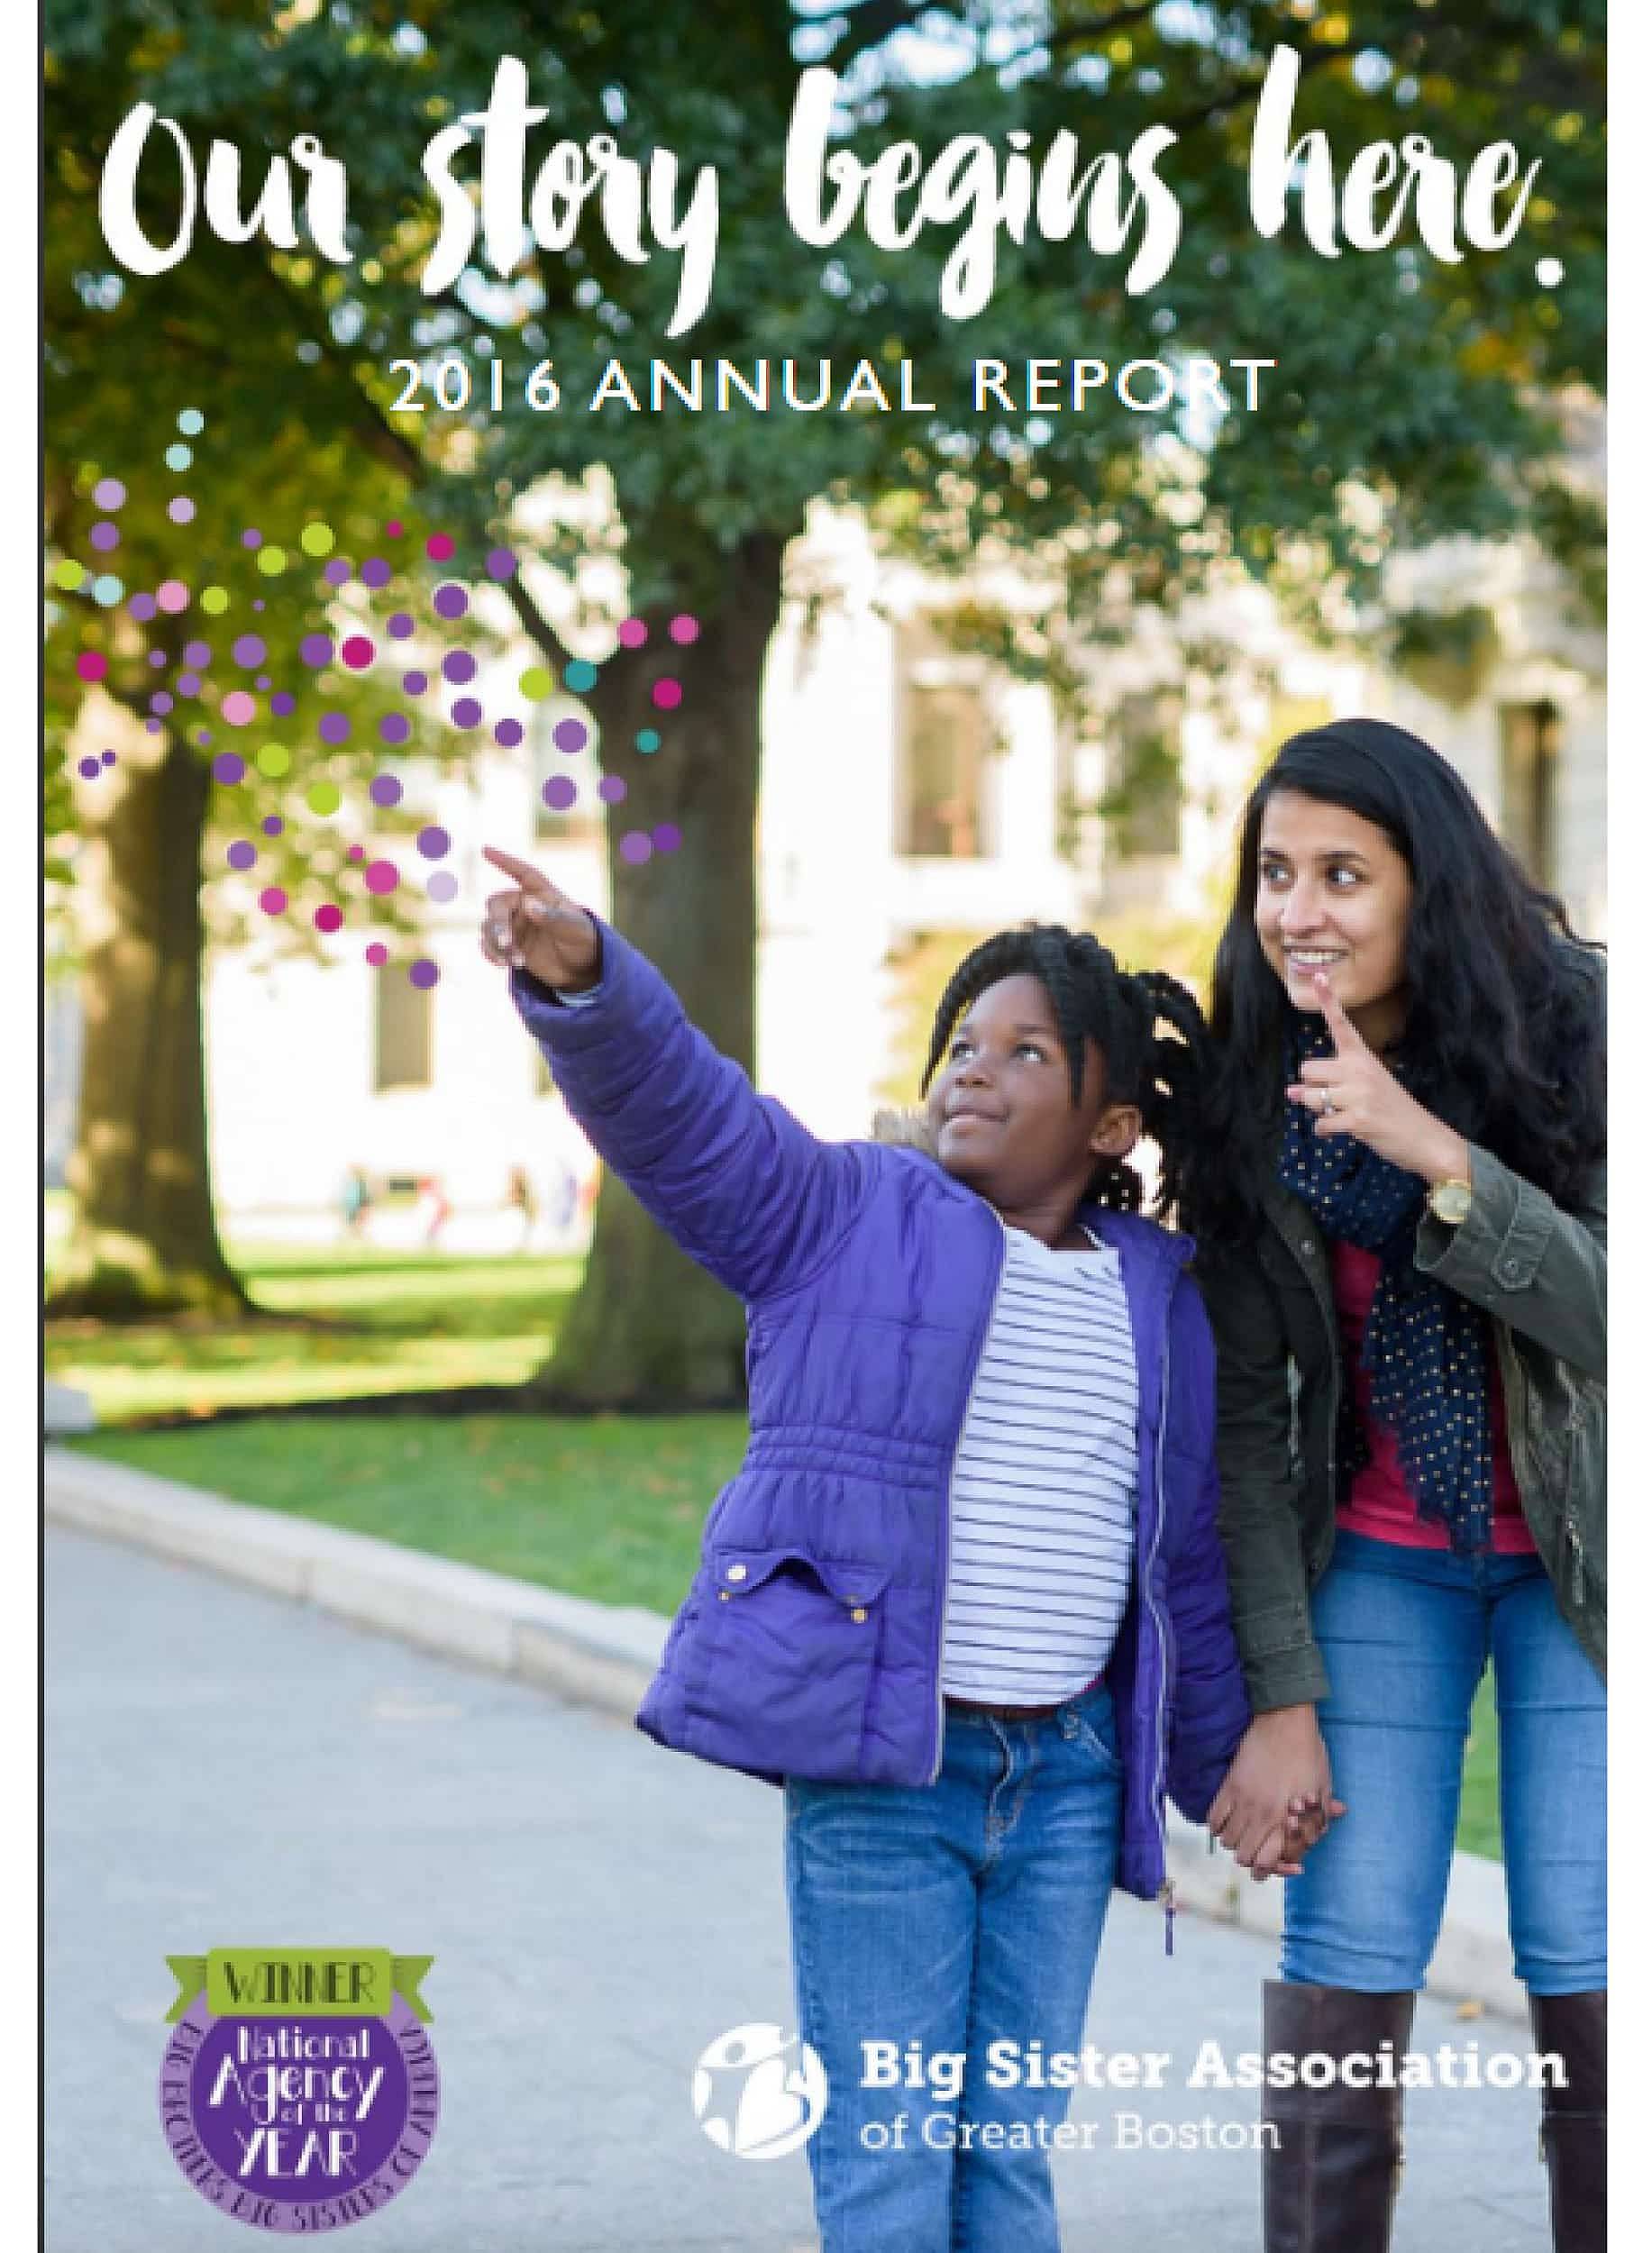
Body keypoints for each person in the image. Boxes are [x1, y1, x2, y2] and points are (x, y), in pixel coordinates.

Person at [477, 844, 1282, 2253]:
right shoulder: (844, 1218)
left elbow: (1184, 1567)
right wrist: (593, 984)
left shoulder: (1161, 1299)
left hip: (1068, 1780)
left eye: (1026, 1051)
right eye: (960, 1044)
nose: (974, 1068)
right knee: (889, 2159)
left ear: (1108, 1124)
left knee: (1008, 2157)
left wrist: (1219, 1770)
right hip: (885, 1772)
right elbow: (695, 1125)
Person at [1185, 720, 1606, 2253]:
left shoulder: (1583, 1036)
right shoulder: (1251, 1090)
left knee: (1588, 1940)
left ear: (1430, 887)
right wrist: (1277, 1691)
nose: (1298, 909)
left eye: (1342, 875)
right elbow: (1242, 1425)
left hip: (1592, 1572)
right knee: (1347, 1938)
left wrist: (1440, 1157)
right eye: (1275, 872)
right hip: (1379, 1559)